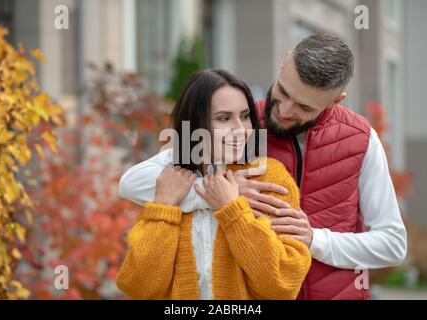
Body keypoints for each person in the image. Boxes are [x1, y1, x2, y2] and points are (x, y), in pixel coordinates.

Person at [119, 34, 407, 300]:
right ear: (282, 66)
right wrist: (214, 192)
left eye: (304, 107)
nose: (284, 111)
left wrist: (314, 239)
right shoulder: (241, 122)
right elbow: (138, 180)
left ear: (335, 101)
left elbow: (392, 243)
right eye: (282, 91)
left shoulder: (360, 139)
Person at [116, 69, 311, 300]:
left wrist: (233, 212)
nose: (240, 128)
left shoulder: (268, 178)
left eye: (245, 115)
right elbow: (140, 286)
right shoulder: (173, 183)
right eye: (224, 118)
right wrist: (163, 209)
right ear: (196, 123)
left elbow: (281, 285)